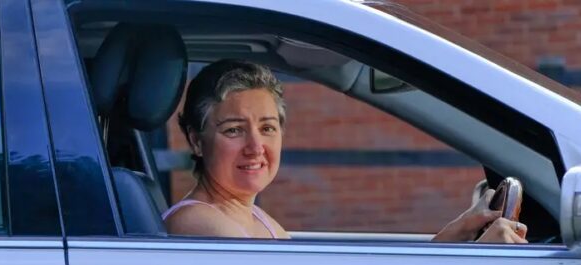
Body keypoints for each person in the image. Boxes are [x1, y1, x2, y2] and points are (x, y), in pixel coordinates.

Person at [163, 60, 527, 243]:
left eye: (268, 128)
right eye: (234, 130)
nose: (256, 146)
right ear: (196, 140)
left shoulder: (257, 220)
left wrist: (462, 229)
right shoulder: (200, 223)